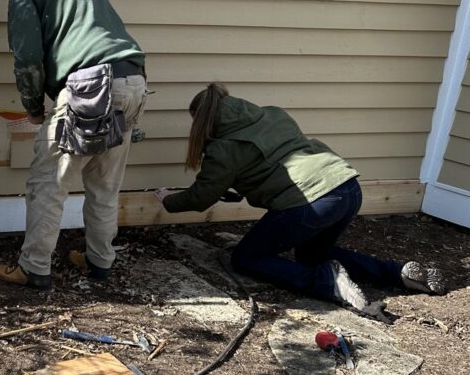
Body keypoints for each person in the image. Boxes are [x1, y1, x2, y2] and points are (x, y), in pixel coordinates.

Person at [155, 83, 446, 310]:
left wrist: (167, 199)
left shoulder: (223, 148)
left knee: (246, 258)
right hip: (346, 186)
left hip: (310, 202)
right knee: (312, 254)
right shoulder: (273, 113)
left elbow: (200, 198)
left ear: (203, 121)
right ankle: (396, 274)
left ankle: (327, 283)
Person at [0, 0, 148, 290]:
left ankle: (34, 269)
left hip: (89, 87)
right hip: (133, 80)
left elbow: (27, 58)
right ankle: (99, 263)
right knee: (104, 185)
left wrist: (33, 108)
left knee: (48, 183)